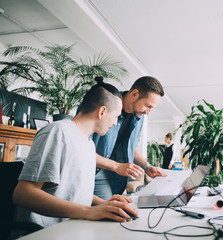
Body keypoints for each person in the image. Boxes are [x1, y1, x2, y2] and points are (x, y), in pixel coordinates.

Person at [12, 83, 138, 229]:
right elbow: (23, 194)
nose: (116, 123)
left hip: (73, 229)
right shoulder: (58, 132)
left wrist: (105, 204)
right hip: (41, 232)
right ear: (102, 111)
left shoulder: (89, 144)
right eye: (116, 116)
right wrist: (89, 212)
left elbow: (72, 191)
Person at [92, 76, 166, 200]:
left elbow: (132, 147)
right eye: (148, 106)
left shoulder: (139, 116)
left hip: (115, 175)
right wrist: (116, 166)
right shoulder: (106, 102)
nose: (148, 112)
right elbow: (81, 146)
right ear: (135, 94)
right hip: (95, 169)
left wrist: (147, 167)